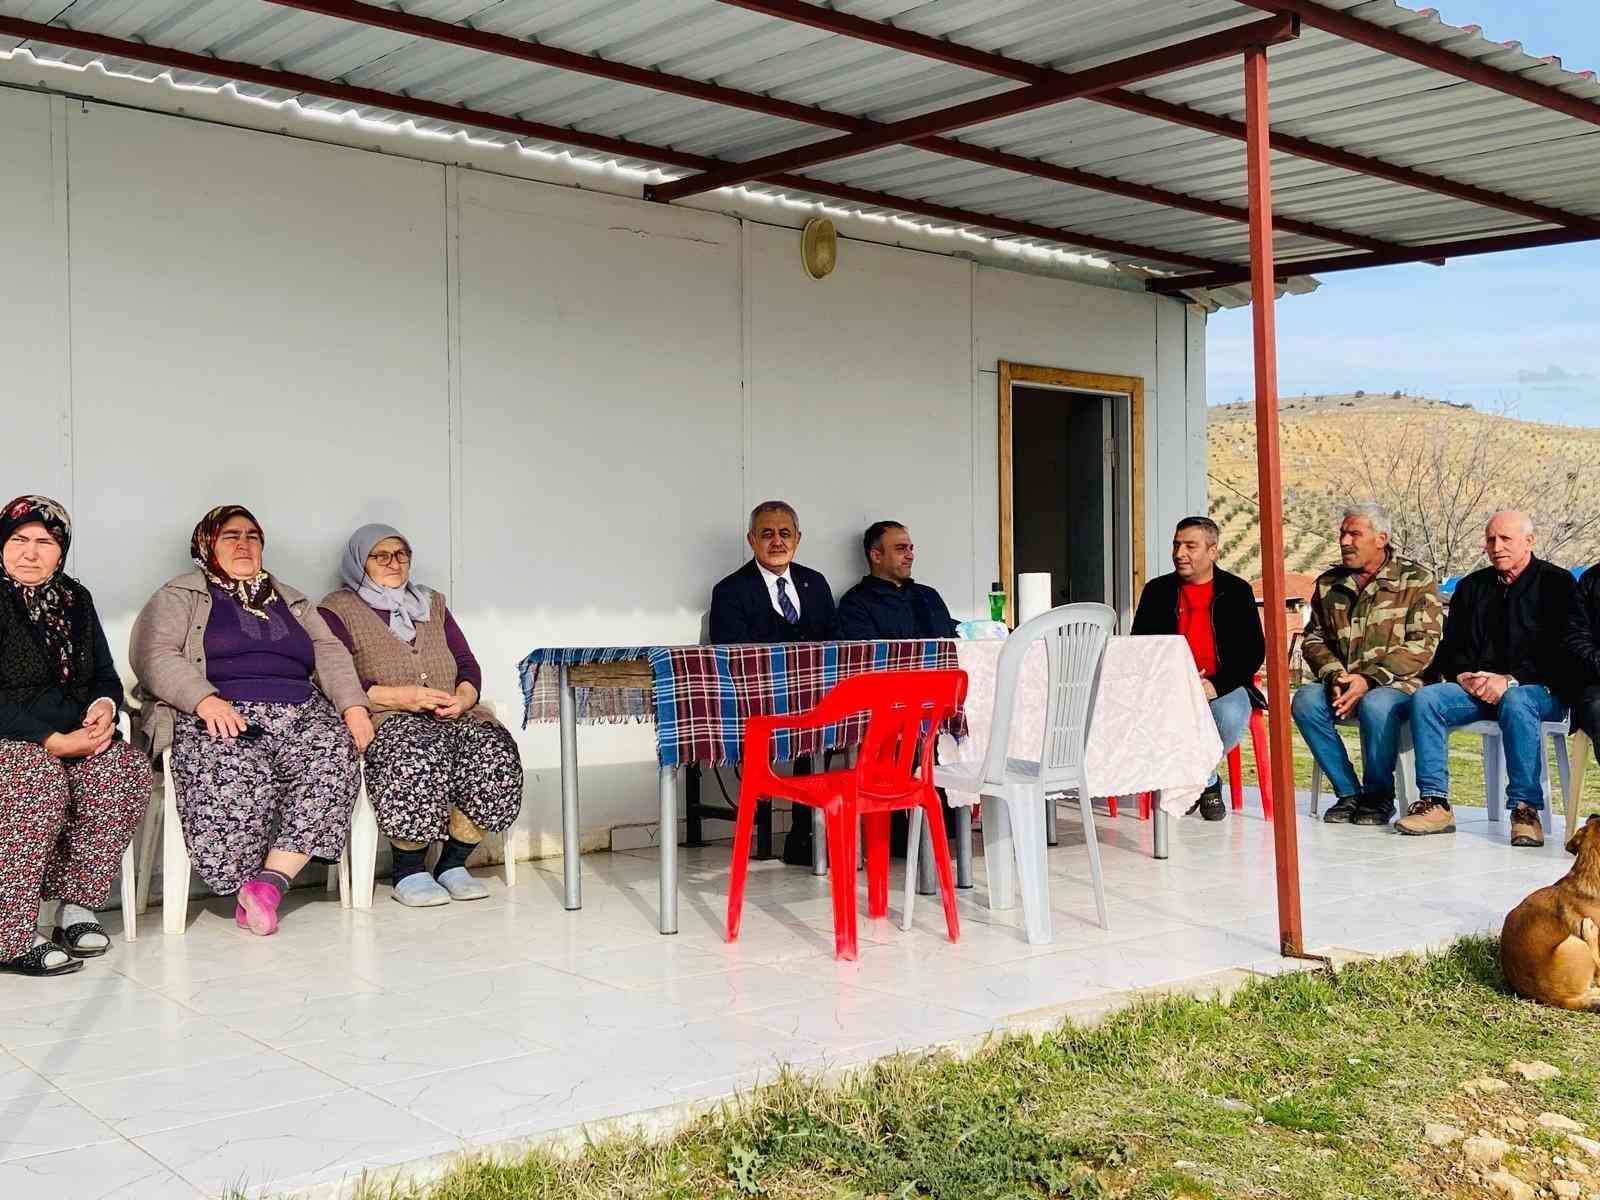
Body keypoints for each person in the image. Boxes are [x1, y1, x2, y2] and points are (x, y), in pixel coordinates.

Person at [130, 505, 374, 936]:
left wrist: (353, 706)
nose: (244, 544)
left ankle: (269, 884)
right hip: (218, 710)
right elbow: (153, 655)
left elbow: (330, 652)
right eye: (231, 536)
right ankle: (242, 881)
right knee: (235, 770)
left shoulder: (291, 599)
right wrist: (204, 700)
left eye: (253, 537)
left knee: (334, 760)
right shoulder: (180, 594)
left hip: (301, 709)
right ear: (207, 544)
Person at [319, 525, 523, 907]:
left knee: (494, 750)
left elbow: (466, 663)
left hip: (453, 713)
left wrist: (464, 698)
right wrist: (401, 697)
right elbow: (333, 674)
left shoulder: (432, 602)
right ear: (358, 562)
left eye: (401, 554)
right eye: (381, 556)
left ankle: (453, 862)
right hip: (388, 716)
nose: (394, 563)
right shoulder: (336, 610)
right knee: (414, 753)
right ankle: (408, 870)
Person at [0, 497, 151, 977]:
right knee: (37, 779)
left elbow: (103, 675)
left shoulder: (74, 599)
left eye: (45, 542)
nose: (30, 553)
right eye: (19, 539)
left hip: (71, 733)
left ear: (61, 550)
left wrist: (104, 709)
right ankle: (10, 933)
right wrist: (50, 739)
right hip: (13, 736)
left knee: (122, 768)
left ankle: (75, 908)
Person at [1401, 511, 1574, 846]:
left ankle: (1525, 809)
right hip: (1478, 689)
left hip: (1540, 691)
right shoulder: (1472, 586)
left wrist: (1510, 679)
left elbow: (1562, 652)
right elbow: (1451, 647)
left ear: (1530, 541)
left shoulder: (1557, 584)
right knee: (1427, 699)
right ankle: (1435, 803)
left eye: (1506, 539)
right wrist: (1463, 675)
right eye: (1491, 539)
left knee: (1517, 698)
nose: (1497, 547)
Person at [1291, 504, 1443, 828]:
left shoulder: (1415, 580)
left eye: (1355, 534)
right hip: (1342, 682)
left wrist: (1368, 680)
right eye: (1343, 533)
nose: (1345, 541)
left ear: (1381, 539)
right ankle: (1348, 793)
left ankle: (1378, 796)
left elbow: (1423, 645)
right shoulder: (1329, 584)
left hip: (1399, 684)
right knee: (1304, 700)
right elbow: (1313, 639)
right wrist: (1335, 674)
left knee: (1376, 704)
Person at [709, 500, 838, 864]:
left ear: (799, 538)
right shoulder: (730, 590)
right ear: (751, 540)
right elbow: (731, 655)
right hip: (760, 704)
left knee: (833, 722)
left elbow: (835, 641)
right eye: (767, 534)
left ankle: (807, 833)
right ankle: (805, 834)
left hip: (817, 699)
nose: (777, 542)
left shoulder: (816, 583)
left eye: (785, 533)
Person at [1131, 516, 1265, 821]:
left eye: (1190, 546)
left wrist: (1215, 685)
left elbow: (1253, 651)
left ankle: (1190, 778)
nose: (1180, 553)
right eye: (1177, 545)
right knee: (1161, 714)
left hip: (1223, 684)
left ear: (1213, 551)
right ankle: (1207, 781)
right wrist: (1174, 681)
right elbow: (1140, 646)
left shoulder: (1236, 591)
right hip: (1168, 686)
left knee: (1229, 715)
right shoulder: (1157, 591)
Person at [837, 522, 957, 640]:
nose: (910, 556)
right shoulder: (856, 603)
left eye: (910, 549)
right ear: (876, 556)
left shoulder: (930, 595)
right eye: (901, 549)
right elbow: (866, 656)